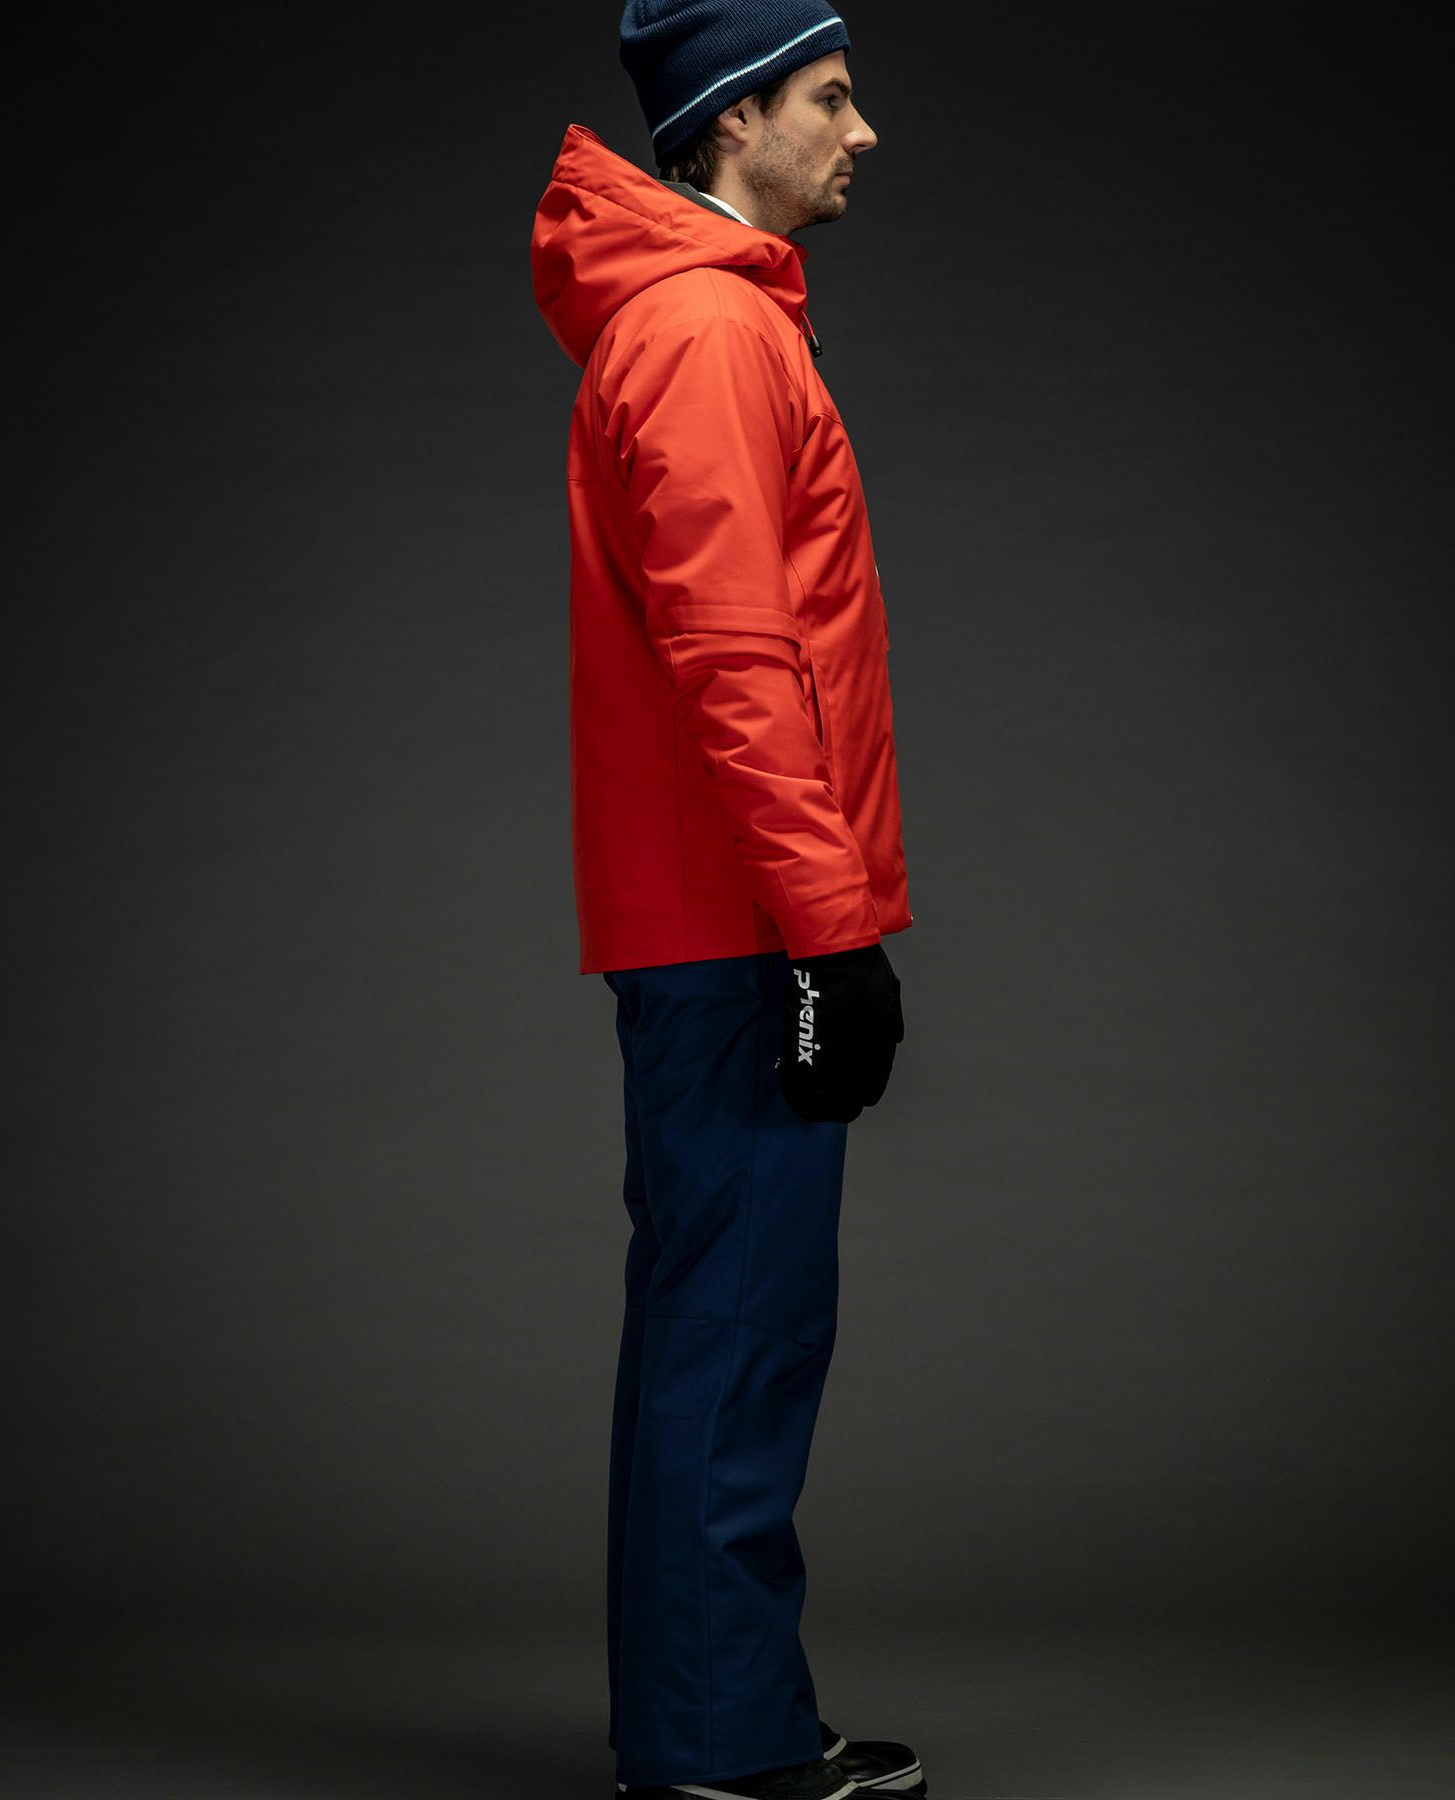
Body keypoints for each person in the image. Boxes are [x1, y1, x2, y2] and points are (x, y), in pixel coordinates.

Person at [531, 5, 924, 1796]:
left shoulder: (707, 316)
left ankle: (709, 1727)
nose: (863, 130)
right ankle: (721, 1755)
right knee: (742, 1327)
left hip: (716, 910)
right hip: (744, 920)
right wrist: (830, 936)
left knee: (716, 1317)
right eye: (829, 96)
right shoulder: (702, 330)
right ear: (733, 117)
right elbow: (739, 657)